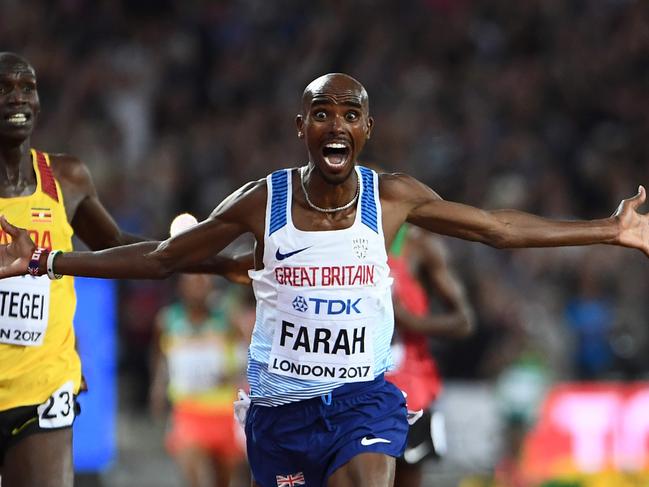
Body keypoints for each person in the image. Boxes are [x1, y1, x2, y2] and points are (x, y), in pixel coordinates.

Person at [0, 72, 648, 487]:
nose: (335, 123)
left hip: (361, 398)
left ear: (365, 129)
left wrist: (606, 229)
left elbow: (496, 227)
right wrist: (50, 260)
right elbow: (162, 257)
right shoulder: (261, 200)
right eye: (321, 112)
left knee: (370, 473)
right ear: (301, 128)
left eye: (349, 113)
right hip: (281, 409)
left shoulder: (391, 196)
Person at [0, 52, 247, 487]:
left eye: (27, 87)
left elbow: (122, 248)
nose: (17, 97)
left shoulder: (65, 178)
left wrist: (218, 263)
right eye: (4, 88)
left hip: (43, 390)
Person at [385, 224, 474, 486]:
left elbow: (464, 320)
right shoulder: (336, 237)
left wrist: (409, 320)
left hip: (407, 390)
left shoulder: (417, 244)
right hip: (350, 383)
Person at [149, 274, 248, 487]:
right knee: (197, 479)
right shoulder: (167, 319)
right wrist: (157, 388)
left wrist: (231, 374)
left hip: (223, 412)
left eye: (203, 284)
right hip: (188, 411)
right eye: (192, 284)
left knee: (224, 481)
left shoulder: (227, 319)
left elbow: (247, 356)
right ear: (181, 287)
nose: (198, 289)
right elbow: (160, 357)